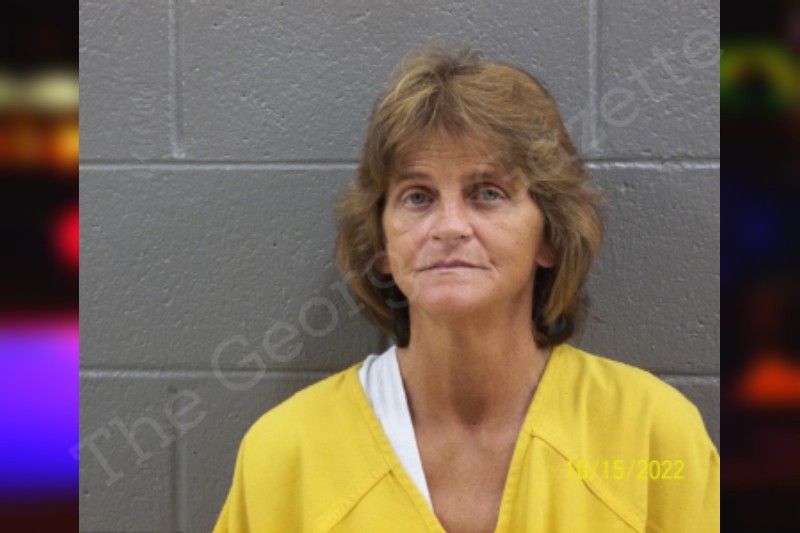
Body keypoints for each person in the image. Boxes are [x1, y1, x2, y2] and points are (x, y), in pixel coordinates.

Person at [213, 45, 719, 532]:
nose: (449, 226)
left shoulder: (652, 438)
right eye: (417, 197)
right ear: (381, 245)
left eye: (488, 193)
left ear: (550, 236)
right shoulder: (286, 455)